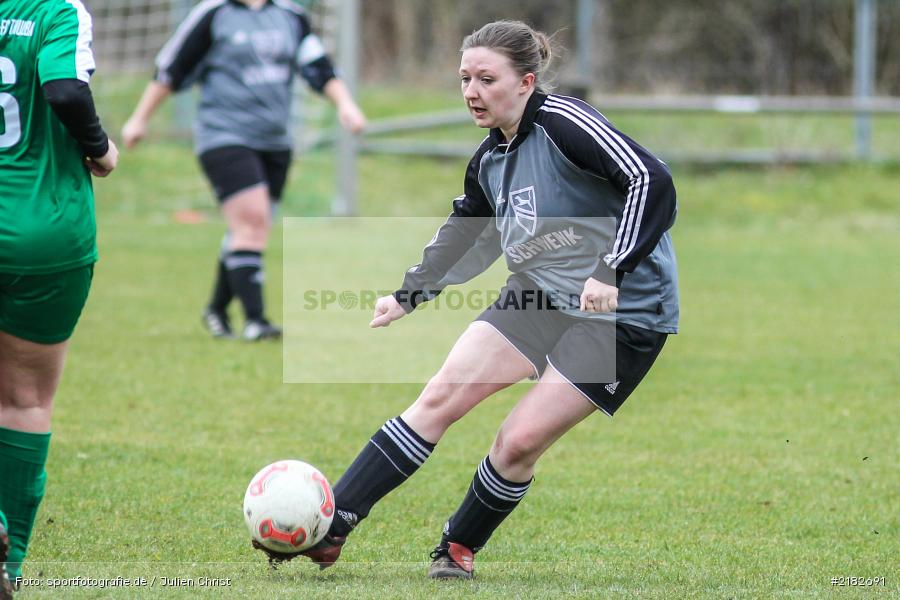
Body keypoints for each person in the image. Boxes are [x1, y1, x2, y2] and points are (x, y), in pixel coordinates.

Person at [255, 20, 679, 579]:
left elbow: (651, 180)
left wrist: (611, 269)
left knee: (518, 442)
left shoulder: (565, 125)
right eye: (464, 79)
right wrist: (409, 294)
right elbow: (467, 232)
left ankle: (457, 547)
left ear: (526, 81)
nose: (472, 92)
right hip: (538, 293)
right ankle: (330, 527)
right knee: (436, 401)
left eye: (486, 78)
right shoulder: (489, 159)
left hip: (623, 313)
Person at [121, 0, 366, 341]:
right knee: (251, 222)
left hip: (276, 141)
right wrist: (140, 118)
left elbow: (318, 66)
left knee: (250, 229)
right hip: (224, 136)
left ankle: (216, 310)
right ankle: (257, 322)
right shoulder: (213, 14)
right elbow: (171, 70)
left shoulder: (290, 16)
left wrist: (346, 105)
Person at [0, 0, 119, 594]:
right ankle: (8, 562)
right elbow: (67, 92)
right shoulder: (55, 11)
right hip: (45, 232)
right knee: (24, 401)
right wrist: (101, 150)